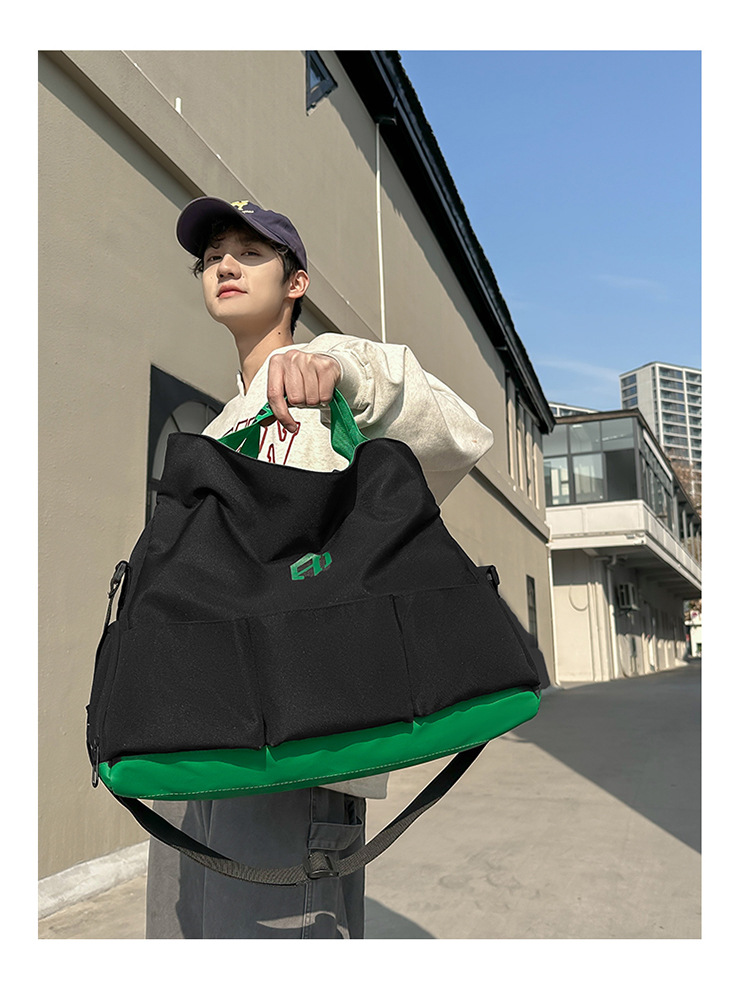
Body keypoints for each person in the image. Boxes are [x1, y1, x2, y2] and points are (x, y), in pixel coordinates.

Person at [145, 196, 495, 939]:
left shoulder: (334, 379)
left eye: (250, 252)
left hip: (299, 750)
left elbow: (461, 430)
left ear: (295, 282)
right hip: (200, 748)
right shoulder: (219, 429)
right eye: (211, 257)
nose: (225, 265)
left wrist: (343, 369)